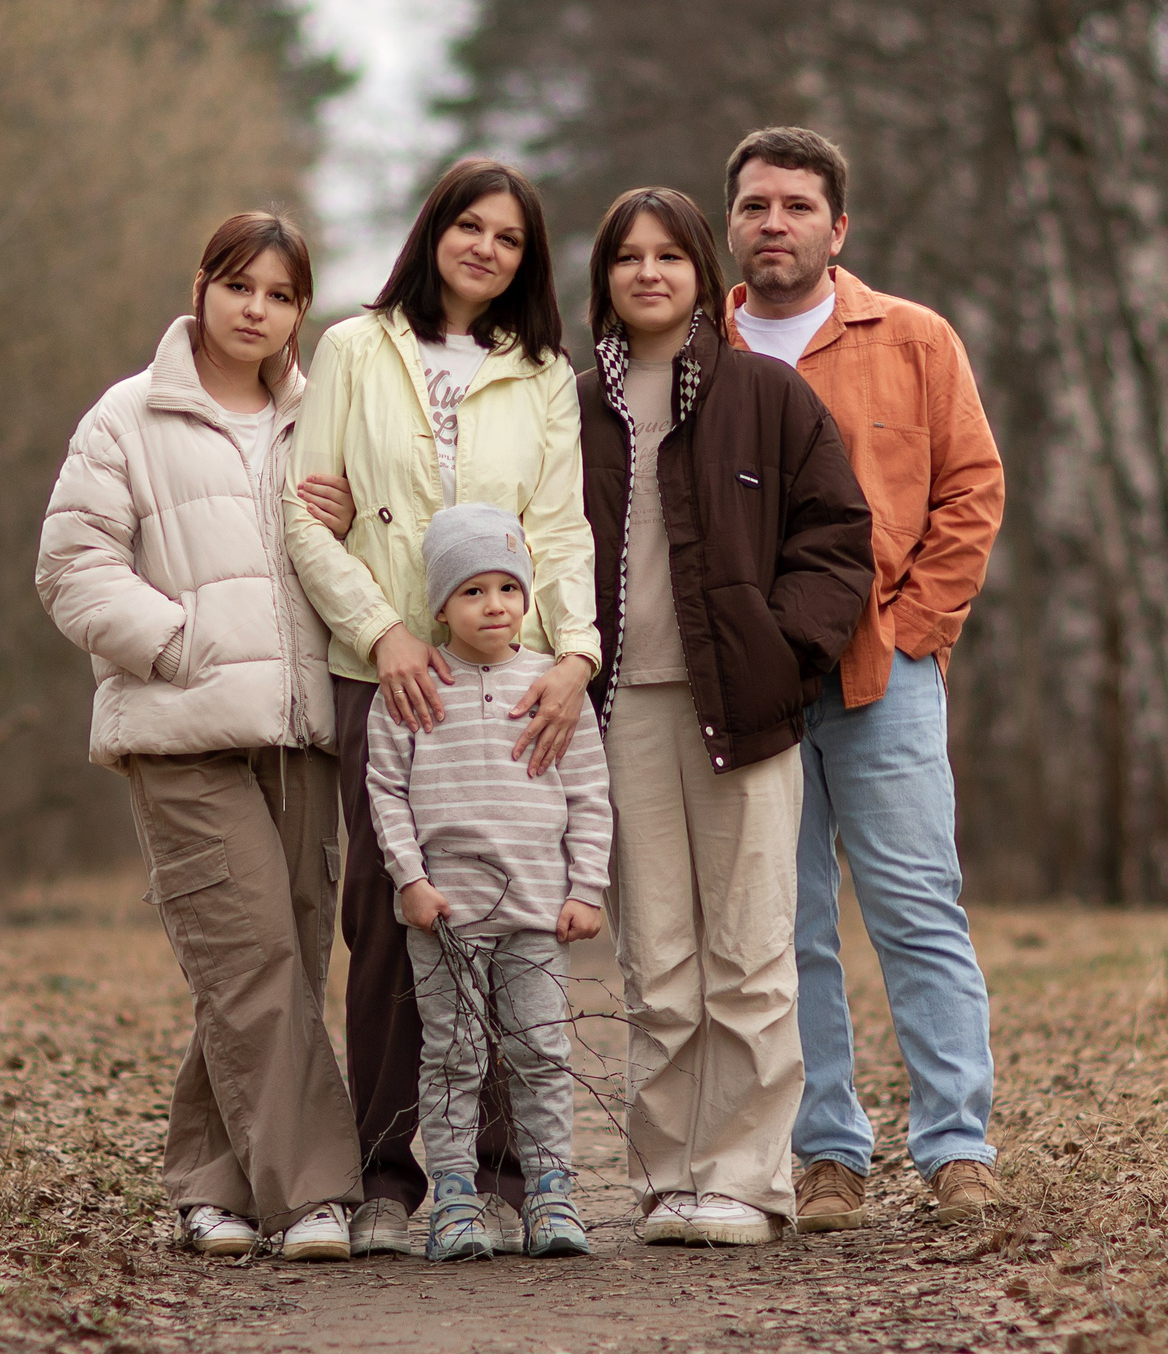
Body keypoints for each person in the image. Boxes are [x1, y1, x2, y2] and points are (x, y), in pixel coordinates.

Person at [284, 158, 601, 1257]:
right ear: (432, 230)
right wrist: (382, 629)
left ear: (526, 260)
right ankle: (385, 1177)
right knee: (388, 919)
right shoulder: (351, 348)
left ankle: (510, 1176)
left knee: (509, 911)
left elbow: (558, 529)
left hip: (510, 679)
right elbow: (306, 518)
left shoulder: (542, 371)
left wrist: (573, 656)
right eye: (468, 224)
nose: (485, 247)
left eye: (508, 237)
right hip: (384, 671)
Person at [35, 212, 359, 1261]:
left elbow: (366, 553)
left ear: (298, 310)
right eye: (238, 286)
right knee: (253, 954)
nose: (255, 308)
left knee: (282, 961)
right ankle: (313, 1191)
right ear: (202, 287)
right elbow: (72, 566)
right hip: (183, 732)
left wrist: (360, 520)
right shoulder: (127, 417)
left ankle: (208, 1186)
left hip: (303, 731)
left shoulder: (326, 422)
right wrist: (179, 646)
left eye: (278, 293)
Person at [717, 128, 1009, 1229]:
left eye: (797, 205)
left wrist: (919, 627)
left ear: (838, 227)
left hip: (888, 675)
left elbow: (970, 487)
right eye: (754, 206)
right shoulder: (704, 345)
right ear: (731, 223)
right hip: (754, 688)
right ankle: (828, 1154)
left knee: (917, 909)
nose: (774, 222)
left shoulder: (913, 338)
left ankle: (956, 1146)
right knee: (786, 928)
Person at [576, 187, 873, 1245]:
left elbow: (837, 539)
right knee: (656, 959)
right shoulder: (574, 410)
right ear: (604, 277)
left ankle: (745, 1178)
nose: (647, 273)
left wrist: (783, 655)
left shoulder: (768, 395)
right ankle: (668, 1175)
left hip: (742, 711)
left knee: (747, 951)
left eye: (668, 255)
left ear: (703, 270)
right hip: (620, 712)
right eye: (627, 257)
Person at [362, 503, 610, 1261]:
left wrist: (586, 889)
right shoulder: (410, 690)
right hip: (447, 914)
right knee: (453, 1055)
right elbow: (386, 793)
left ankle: (552, 1197)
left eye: (508, 587)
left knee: (540, 1051)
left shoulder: (552, 687)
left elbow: (590, 795)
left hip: (537, 911)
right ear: (439, 605)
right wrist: (410, 879)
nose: (494, 605)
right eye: (472, 591)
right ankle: (456, 1204)